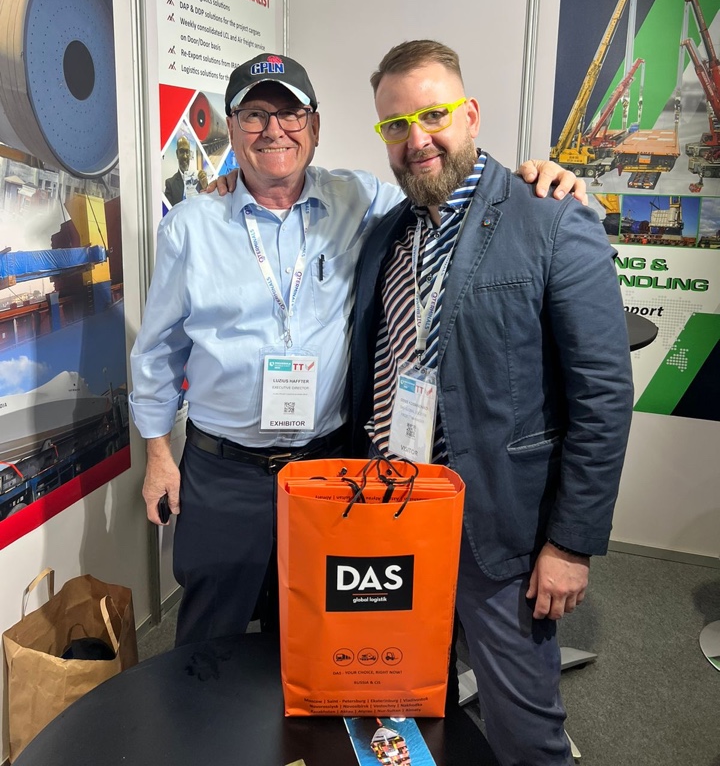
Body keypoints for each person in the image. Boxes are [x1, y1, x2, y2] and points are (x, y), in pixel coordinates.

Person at [130, 50, 589, 649]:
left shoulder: (361, 200)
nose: (274, 130)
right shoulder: (191, 226)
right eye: (254, 115)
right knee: (208, 637)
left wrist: (535, 180)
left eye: (291, 114)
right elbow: (158, 351)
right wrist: (158, 457)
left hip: (328, 468)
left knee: (320, 629)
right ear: (233, 130)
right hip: (224, 473)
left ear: (315, 127)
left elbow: (446, 192)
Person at [349, 40, 634, 766]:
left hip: (499, 527)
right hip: (396, 512)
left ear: (470, 115)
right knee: (413, 706)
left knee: (523, 732)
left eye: (433, 115)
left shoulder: (551, 217)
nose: (416, 139)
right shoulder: (389, 232)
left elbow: (603, 395)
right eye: (395, 124)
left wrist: (570, 544)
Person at [164, 134, 207, 205]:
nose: (185, 156)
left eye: (187, 152)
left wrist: (205, 187)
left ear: (190, 154)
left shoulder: (198, 181)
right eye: (181, 151)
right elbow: (169, 210)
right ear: (177, 154)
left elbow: (205, 204)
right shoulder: (170, 184)